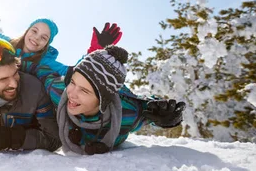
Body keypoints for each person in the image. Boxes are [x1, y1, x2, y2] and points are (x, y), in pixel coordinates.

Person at [23, 45, 185, 155]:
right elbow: (42, 72)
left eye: (84, 91)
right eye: (73, 82)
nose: (72, 93)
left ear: (102, 100)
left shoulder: (127, 113)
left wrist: (167, 117)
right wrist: (17, 63)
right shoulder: (60, 91)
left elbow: (150, 109)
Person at [0, 0, 122, 75]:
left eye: (44, 37)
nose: (36, 38)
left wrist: (95, 51)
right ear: (27, 30)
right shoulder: (5, 44)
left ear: (46, 44)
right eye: (34, 31)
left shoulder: (46, 62)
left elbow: (75, 73)